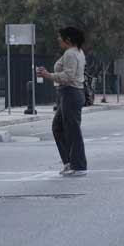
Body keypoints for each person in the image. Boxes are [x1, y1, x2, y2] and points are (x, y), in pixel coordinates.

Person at [36, 27, 87, 176]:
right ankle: (69, 162)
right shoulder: (76, 52)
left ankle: (78, 166)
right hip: (69, 93)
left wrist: (48, 75)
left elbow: (68, 76)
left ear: (68, 39)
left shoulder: (71, 53)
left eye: (61, 37)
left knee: (73, 131)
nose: (58, 40)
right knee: (58, 127)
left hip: (71, 92)